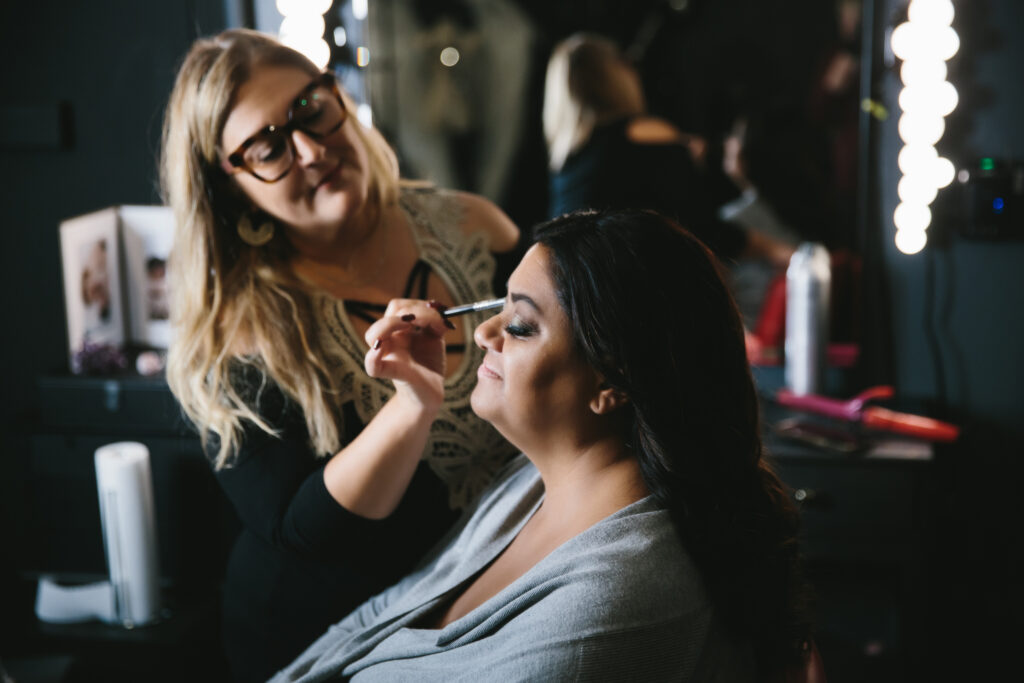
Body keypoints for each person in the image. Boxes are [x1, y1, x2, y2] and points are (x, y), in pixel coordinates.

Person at [272, 209, 815, 682]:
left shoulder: (614, 603)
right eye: (500, 306)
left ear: (614, 382)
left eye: (521, 325)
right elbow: (370, 624)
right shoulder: (528, 483)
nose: (483, 333)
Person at [159, 29, 522, 682]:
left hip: (495, 600)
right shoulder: (240, 331)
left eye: (310, 108)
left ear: (339, 97)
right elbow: (308, 532)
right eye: (267, 147)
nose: (310, 150)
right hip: (332, 639)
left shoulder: (474, 227)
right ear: (230, 186)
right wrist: (410, 407)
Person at [543, 33, 795, 268]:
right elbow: (705, 228)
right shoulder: (640, 130)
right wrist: (778, 251)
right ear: (612, 76)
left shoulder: (565, 165)